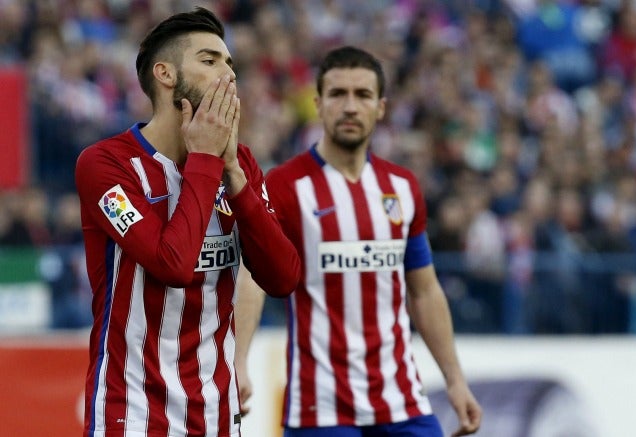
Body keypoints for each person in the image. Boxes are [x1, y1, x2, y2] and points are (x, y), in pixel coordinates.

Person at [74, 8, 301, 437]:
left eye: (230, 64)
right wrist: (203, 160)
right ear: (165, 74)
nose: (229, 75)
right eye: (210, 60)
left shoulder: (242, 164)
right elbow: (172, 265)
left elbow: (283, 277)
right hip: (132, 412)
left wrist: (233, 174)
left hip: (217, 413)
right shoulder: (106, 165)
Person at [236, 46, 482, 437]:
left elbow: (424, 289)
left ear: (381, 107)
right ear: (318, 104)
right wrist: (239, 360)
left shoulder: (402, 188)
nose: (350, 106)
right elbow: (253, 278)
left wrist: (455, 380)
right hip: (321, 405)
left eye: (363, 95)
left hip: (401, 399)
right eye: (338, 94)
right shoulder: (284, 187)